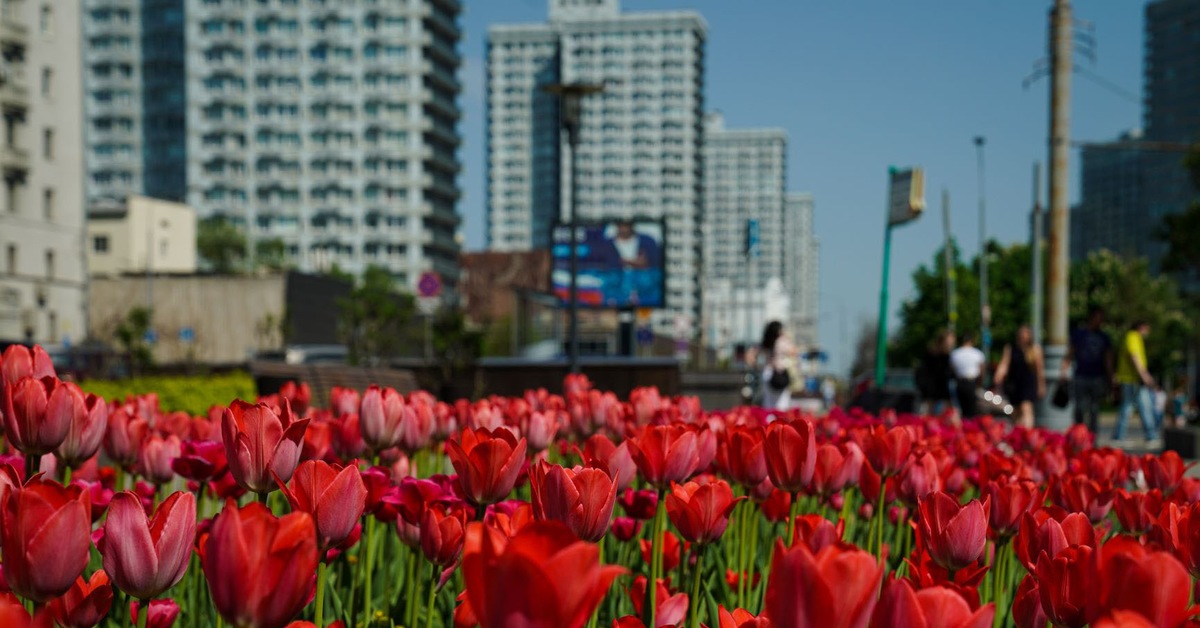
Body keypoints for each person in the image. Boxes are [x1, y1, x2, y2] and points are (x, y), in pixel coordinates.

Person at [1060, 307, 1114, 434]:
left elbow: (1108, 359)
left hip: (1097, 376)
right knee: (1079, 408)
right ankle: (1078, 433)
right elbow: (1070, 354)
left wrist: (1111, 377)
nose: (1099, 321)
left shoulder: (1104, 337)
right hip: (1081, 375)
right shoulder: (1079, 334)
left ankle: (1092, 436)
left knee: (1094, 409)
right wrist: (1063, 371)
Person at [1113, 320, 1157, 444]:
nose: (1147, 332)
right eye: (1147, 329)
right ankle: (1119, 436)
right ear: (1141, 327)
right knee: (1129, 407)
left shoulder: (1133, 337)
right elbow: (1134, 356)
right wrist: (1144, 376)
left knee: (1143, 407)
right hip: (1132, 379)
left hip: (1134, 379)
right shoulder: (1133, 336)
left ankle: (1151, 435)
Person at [994, 325, 1044, 429]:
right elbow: (1005, 364)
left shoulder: (1035, 349)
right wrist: (999, 375)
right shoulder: (1011, 348)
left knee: (1026, 408)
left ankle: (1028, 432)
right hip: (1015, 383)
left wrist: (1041, 385)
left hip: (1028, 383)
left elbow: (1039, 370)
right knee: (1015, 411)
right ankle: (1018, 432)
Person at [759, 320, 796, 412]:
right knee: (782, 402)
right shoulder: (781, 341)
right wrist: (788, 338)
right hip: (779, 373)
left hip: (766, 372)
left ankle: (768, 424)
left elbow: (753, 355)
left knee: (768, 402)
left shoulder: (765, 342)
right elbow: (793, 351)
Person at [916, 330, 955, 415]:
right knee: (929, 413)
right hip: (932, 388)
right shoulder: (933, 354)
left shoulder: (947, 355)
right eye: (950, 340)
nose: (952, 343)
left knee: (947, 413)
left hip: (941, 387)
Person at [950, 333, 987, 419]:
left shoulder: (955, 353)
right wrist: (979, 384)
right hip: (972, 383)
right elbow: (982, 371)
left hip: (960, 383)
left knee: (962, 409)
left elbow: (952, 370)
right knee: (972, 409)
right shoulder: (977, 353)